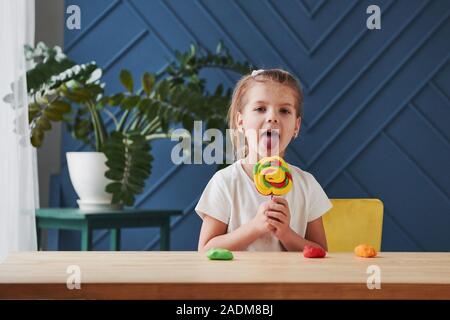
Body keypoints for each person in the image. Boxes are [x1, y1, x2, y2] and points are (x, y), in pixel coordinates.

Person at [196, 69, 332, 252]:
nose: (272, 117)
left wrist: (286, 233)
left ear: (296, 126)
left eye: (284, 110)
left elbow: (320, 252)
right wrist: (255, 227)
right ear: (240, 121)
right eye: (260, 109)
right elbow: (205, 250)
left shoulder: (307, 185)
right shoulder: (225, 183)